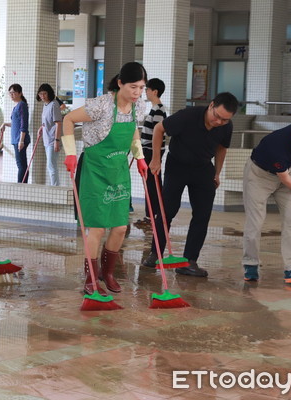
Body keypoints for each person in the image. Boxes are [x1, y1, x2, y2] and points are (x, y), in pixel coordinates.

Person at [62, 61, 148, 295]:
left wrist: (139, 157)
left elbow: (133, 131)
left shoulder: (138, 107)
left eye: (141, 88)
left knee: (120, 227)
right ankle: (90, 278)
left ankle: (107, 273)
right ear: (120, 83)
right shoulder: (100, 105)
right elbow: (68, 119)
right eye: (133, 87)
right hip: (95, 170)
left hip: (118, 170)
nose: (137, 93)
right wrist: (70, 153)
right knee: (97, 228)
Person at [144, 92, 239, 277]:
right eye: (217, 117)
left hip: (203, 168)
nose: (219, 122)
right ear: (211, 105)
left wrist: (217, 172)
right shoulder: (188, 116)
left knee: (202, 215)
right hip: (177, 165)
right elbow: (158, 129)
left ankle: (189, 261)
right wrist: (156, 159)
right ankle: (155, 254)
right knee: (166, 211)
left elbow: (222, 147)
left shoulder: (227, 126)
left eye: (225, 120)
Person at [243, 117, 291, 283]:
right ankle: (250, 265)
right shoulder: (276, 146)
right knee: (255, 222)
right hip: (260, 176)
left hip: (286, 171)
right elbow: (285, 179)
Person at [135, 78, 167, 228]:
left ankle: (153, 216)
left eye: (147, 89)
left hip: (152, 152)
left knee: (153, 184)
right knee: (150, 184)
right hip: (147, 150)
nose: (145, 92)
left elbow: (158, 134)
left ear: (154, 91)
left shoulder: (159, 109)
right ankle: (151, 216)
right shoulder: (154, 109)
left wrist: (155, 157)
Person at [0, 84, 30, 183]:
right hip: (16, 139)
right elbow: (16, 123)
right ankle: (22, 185)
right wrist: (5, 124)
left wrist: (21, 141)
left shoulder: (22, 105)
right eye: (10, 93)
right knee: (21, 164)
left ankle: (21, 186)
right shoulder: (17, 106)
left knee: (21, 165)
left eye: (14, 93)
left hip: (20, 140)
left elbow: (23, 124)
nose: (11, 95)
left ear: (20, 93)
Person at [36, 83, 63, 186]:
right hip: (47, 139)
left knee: (51, 166)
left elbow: (58, 123)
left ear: (49, 93)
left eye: (45, 94)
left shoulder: (54, 104)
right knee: (51, 166)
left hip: (53, 140)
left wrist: (57, 141)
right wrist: (41, 127)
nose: (42, 96)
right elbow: (47, 121)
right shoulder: (46, 104)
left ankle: (55, 188)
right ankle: (55, 187)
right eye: (40, 94)